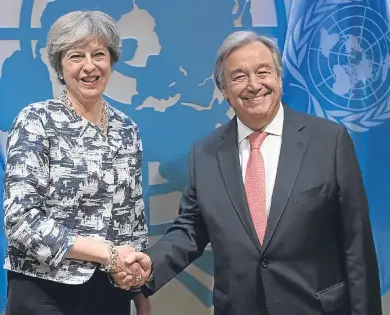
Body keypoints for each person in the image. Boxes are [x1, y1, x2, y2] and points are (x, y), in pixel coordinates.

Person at [118, 31, 382, 314]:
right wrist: (150, 265)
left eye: (263, 72)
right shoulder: (205, 154)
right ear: (224, 90)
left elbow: (357, 244)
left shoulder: (329, 141)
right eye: (239, 76)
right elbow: (190, 230)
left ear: (279, 78)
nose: (254, 85)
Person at [3, 10, 150, 315]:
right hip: (45, 291)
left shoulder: (127, 128)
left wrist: (137, 286)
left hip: (110, 291)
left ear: (111, 61)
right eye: (76, 56)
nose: (89, 66)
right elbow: (20, 219)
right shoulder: (36, 121)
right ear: (59, 65)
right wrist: (107, 254)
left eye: (99, 54)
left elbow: (132, 217)